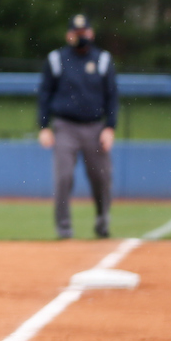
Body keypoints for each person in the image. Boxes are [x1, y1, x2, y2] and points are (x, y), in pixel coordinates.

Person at [37, 14, 118, 239]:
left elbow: (112, 96)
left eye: (84, 33)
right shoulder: (56, 59)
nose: (80, 37)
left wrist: (110, 127)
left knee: (101, 178)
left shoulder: (102, 59)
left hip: (95, 127)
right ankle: (64, 230)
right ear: (68, 35)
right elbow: (45, 93)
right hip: (65, 127)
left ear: (90, 34)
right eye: (76, 33)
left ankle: (102, 222)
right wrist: (44, 126)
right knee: (63, 177)